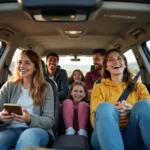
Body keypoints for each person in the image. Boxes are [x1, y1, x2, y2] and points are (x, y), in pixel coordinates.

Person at [90, 49, 150, 150]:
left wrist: (131, 110)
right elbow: (94, 119)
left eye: (119, 58)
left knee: (143, 105)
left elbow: (147, 115)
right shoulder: (98, 87)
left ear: (125, 64)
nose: (116, 61)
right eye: (111, 59)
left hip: (133, 135)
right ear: (106, 67)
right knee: (105, 107)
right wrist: (112, 113)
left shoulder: (139, 87)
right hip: (104, 135)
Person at [0, 50, 54, 150]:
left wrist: (29, 119)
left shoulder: (46, 88)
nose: (22, 66)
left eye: (27, 63)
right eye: (20, 62)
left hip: (37, 130)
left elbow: (49, 120)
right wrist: (1, 117)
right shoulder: (9, 86)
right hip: (10, 129)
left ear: (35, 67)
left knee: (28, 138)